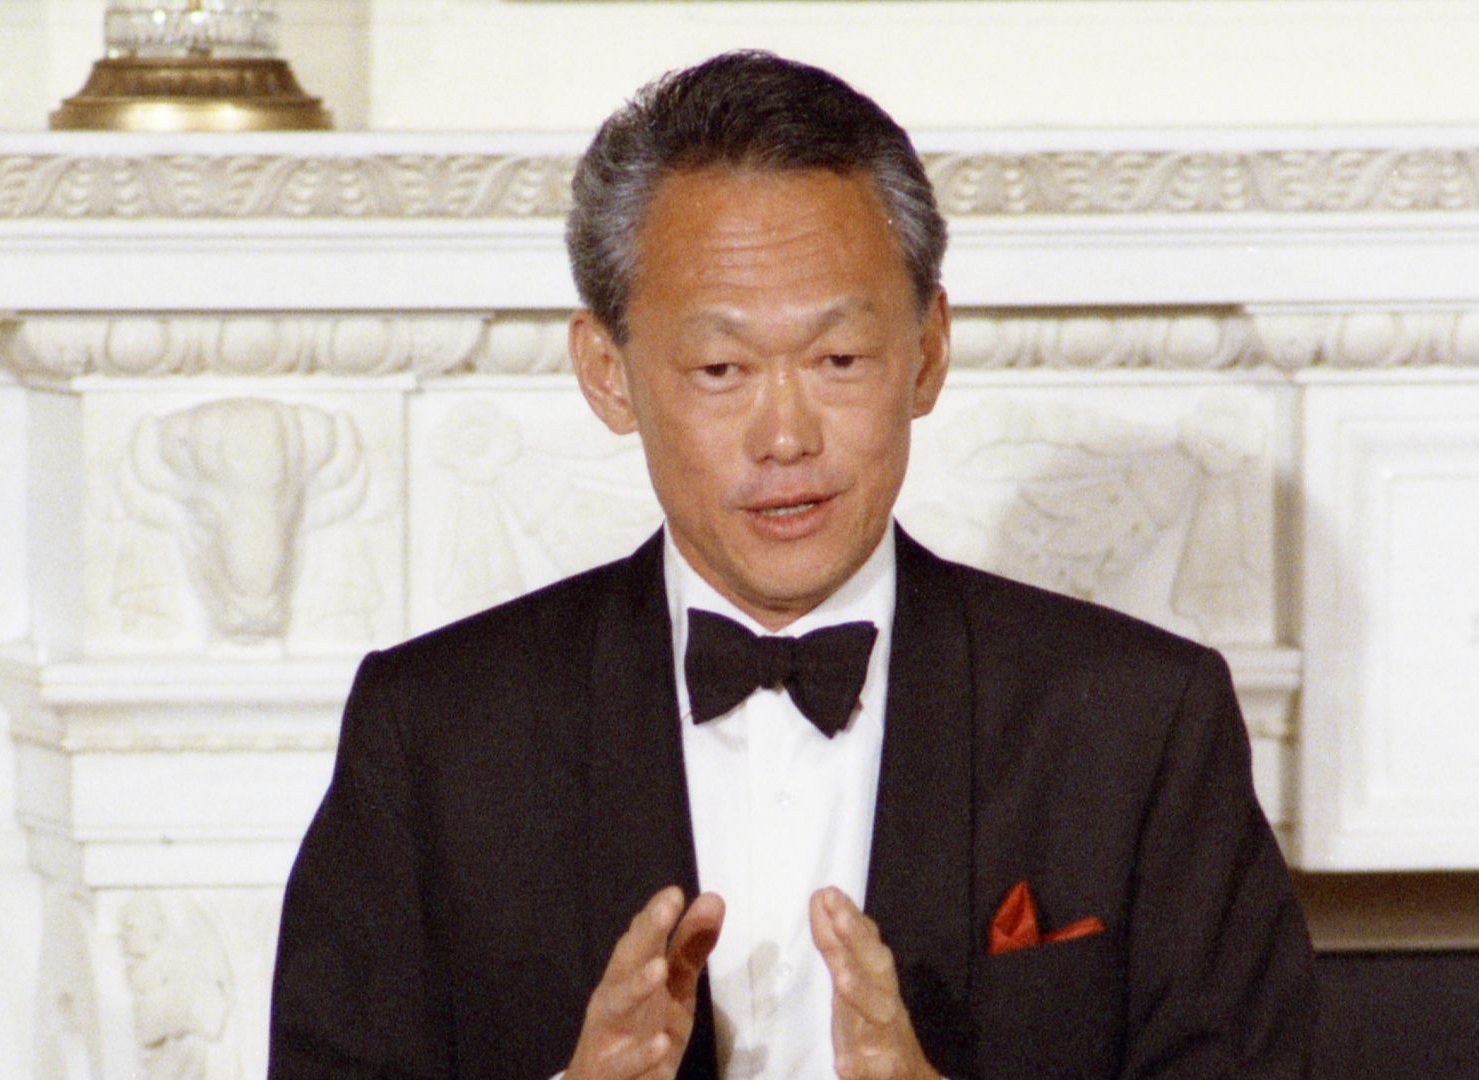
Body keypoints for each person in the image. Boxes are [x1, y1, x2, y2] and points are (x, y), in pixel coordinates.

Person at [270, 51, 1314, 1079]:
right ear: (607, 374)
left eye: (838, 360)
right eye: (721, 368)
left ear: (928, 351)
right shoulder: (434, 734)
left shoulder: (1140, 724)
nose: (786, 437)